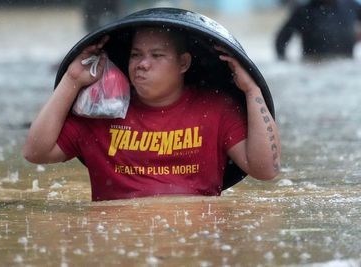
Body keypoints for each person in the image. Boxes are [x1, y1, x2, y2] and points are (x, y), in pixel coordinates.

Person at [23, 26, 281, 201]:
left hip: (193, 241)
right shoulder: (102, 113)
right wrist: (71, 80)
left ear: (183, 63)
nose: (142, 64)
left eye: (156, 55)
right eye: (136, 55)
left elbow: (266, 170)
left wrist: (251, 89)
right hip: (117, 242)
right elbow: (36, 152)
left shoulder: (216, 109)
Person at [275, 0, 361, 60]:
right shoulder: (303, 11)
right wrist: (285, 64)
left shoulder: (350, 6)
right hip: (314, 68)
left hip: (346, 65)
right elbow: (281, 40)